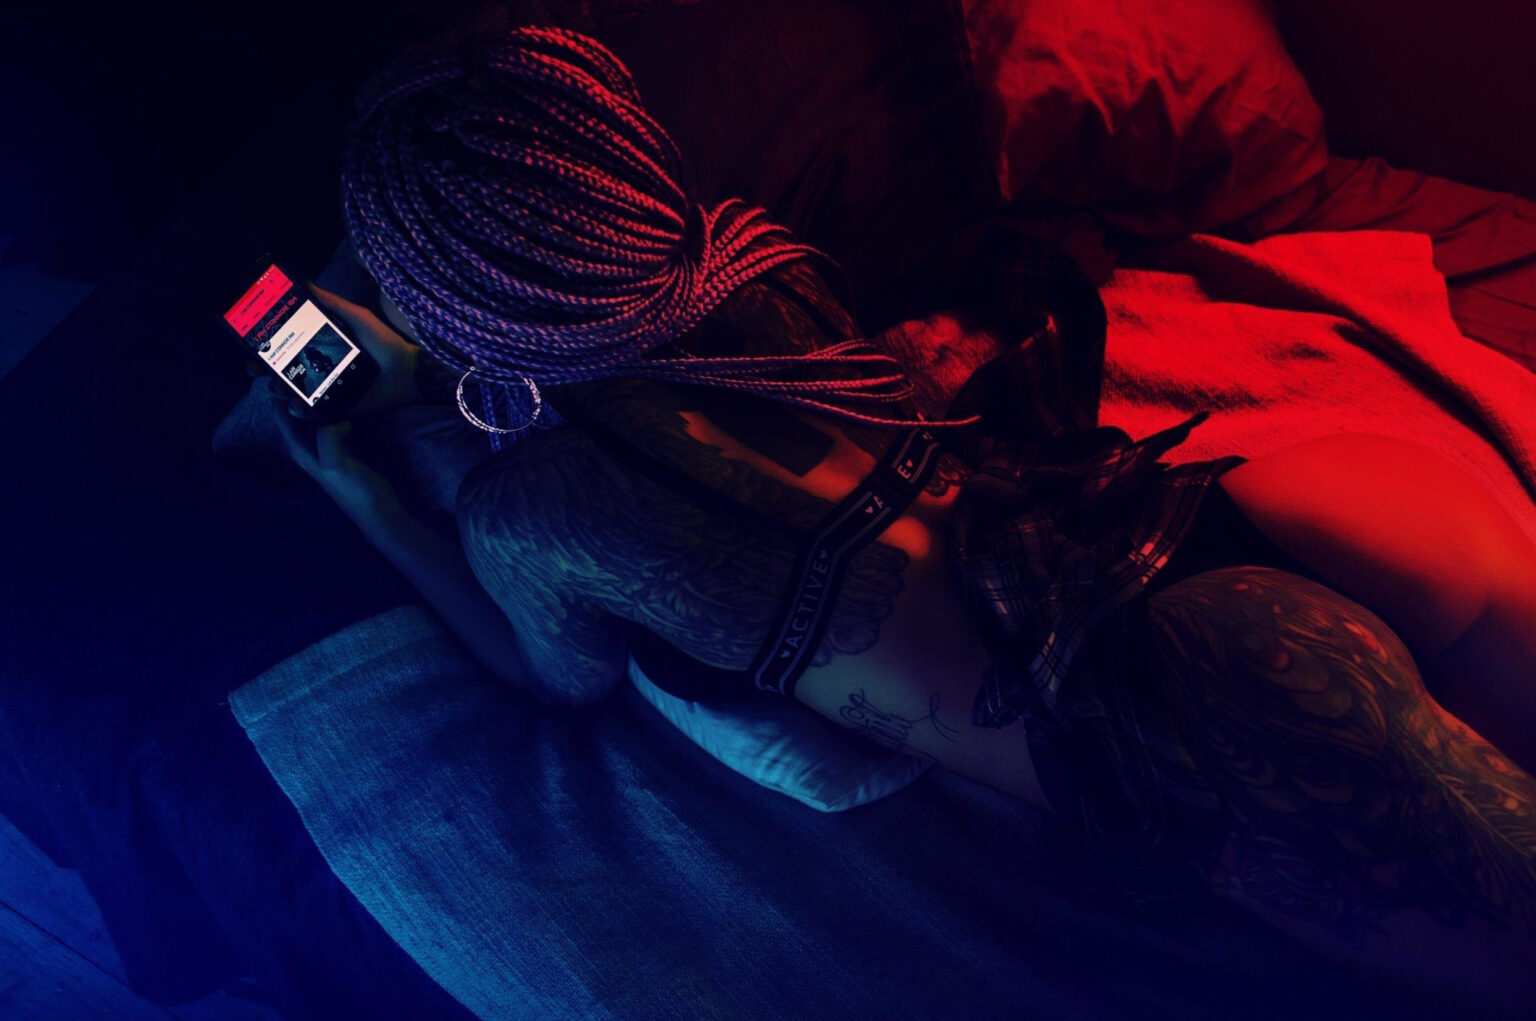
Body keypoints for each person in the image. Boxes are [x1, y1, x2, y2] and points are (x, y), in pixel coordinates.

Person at [268, 26, 1536, 1007]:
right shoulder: (759, 261)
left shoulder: (532, 511)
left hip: (1158, 717)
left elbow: (557, 681)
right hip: (1248, 514)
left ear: (446, 305)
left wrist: (368, 494)